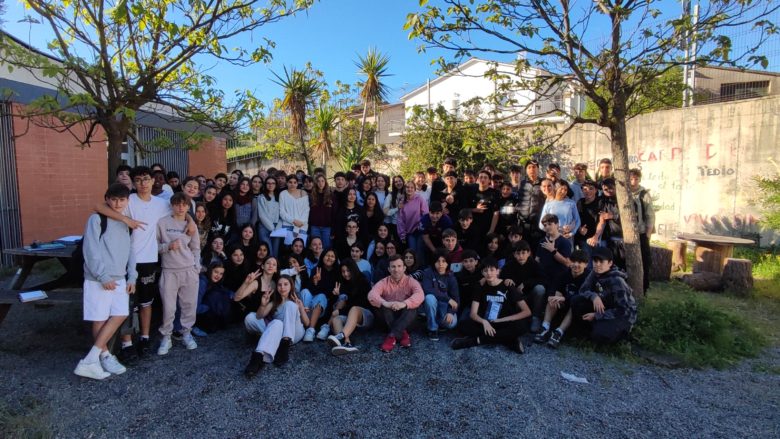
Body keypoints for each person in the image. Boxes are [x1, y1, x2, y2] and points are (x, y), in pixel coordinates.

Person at [74, 183, 137, 380]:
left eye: (122, 200)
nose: (117, 204)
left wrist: (132, 276)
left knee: (120, 314)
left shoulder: (127, 222)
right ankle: (104, 356)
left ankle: (91, 359)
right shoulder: (97, 219)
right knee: (100, 318)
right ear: (107, 199)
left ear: (127, 201)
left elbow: (131, 251)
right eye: (114, 199)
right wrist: (102, 276)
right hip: (98, 279)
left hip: (120, 278)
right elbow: (90, 250)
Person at [451, 257, 531, 353]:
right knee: (463, 326)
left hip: (505, 322)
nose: (489, 273)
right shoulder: (480, 286)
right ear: (482, 273)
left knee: (522, 326)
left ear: (498, 271)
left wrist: (502, 320)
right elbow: (473, 314)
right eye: (486, 271)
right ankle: (508, 340)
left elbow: (527, 311)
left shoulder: (508, 285)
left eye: (492, 270)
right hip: (487, 322)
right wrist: (484, 322)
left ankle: (477, 340)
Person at [156, 193, 201, 355]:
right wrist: (167, 246)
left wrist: (196, 267)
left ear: (188, 206)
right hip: (169, 270)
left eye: (184, 204)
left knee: (189, 305)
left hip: (188, 269)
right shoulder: (162, 223)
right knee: (169, 307)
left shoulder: (191, 225)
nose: (181, 207)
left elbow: (196, 247)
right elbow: (154, 247)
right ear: (172, 205)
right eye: (177, 204)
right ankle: (166, 336)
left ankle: (186, 333)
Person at [569, 247, 637, 345]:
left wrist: (596, 315)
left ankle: (623, 334)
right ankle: (584, 333)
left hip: (623, 315)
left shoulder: (617, 281)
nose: (597, 264)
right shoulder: (594, 272)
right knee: (576, 300)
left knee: (600, 335)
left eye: (601, 261)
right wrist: (594, 296)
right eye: (595, 261)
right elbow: (583, 290)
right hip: (606, 305)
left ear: (610, 263)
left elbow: (623, 310)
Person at [243, 275, 307, 377]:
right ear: (276, 287)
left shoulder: (295, 300)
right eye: (279, 285)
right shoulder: (274, 303)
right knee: (275, 322)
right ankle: (257, 357)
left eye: (285, 284)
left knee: (289, 305)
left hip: (295, 333)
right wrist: (263, 305)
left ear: (291, 286)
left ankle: (284, 344)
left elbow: (307, 323)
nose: (282, 287)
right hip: (279, 334)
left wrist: (301, 308)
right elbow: (259, 316)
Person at [533, 250, 591, 348]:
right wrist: (552, 296)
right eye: (573, 261)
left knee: (575, 303)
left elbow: (582, 296)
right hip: (561, 304)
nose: (576, 264)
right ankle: (545, 327)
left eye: (580, 262)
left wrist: (564, 298)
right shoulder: (564, 274)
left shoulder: (588, 278)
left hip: (576, 308)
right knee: (554, 296)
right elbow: (553, 287)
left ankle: (559, 332)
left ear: (586, 264)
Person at [367, 254, 425, 353]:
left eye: (399, 266)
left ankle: (392, 336)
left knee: (412, 307)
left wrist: (404, 303)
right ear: (389, 269)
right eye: (393, 267)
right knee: (382, 305)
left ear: (404, 268)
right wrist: (385, 303)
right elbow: (371, 295)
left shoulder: (411, 281)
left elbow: (420, 295)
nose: (396, 269)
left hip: (407, 319)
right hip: (388, 319)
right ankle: (403, 333)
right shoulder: (383, 282)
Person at [325, 260, 373, 355]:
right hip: (350, 318)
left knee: (354, 308)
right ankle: (347, 343)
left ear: (353, 269)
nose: (346, 274)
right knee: (336, 319)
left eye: (348, 270)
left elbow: (361, 304)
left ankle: (341, 336)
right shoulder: (343, 283)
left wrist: (340, 311)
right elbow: (336, 305)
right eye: (343, 271)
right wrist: (336, 295)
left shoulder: (362, 281)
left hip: (365, 316)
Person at [535, 214, 573, 332]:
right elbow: (537, 259)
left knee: (553, 299)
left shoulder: (565, 242)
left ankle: (546, 326)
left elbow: (567, 263)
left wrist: (553, 251)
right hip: (543, 277)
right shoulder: (542, 241)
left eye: (550, 224)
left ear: (557, 224)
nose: (547, 227)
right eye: (545, 225)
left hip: (558, 280)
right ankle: (535, 319)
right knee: (537, 290)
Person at [420, 250, 460, 341]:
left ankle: (436, 321)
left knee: (452, 324)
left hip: (444, 307)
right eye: (438, 261)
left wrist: (451, 312)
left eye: (443, 261)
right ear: (434, 262)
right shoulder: (428, 273)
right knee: (429, 298)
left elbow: (456, 299)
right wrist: (447, 299)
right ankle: (432, 329)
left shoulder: (451, 277)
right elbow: (427, 289)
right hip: (432, 304)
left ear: (447, 263)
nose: (441, 264)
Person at [629, 168, 655, 293]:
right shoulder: (624, 192)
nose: (633, 182)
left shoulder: (644, 194)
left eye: (636, 179)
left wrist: (648, 234)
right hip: (626, 234)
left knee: (644, 261)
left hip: (641, 233)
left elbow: (650, 215)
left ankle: (643, 288)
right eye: (631, 179)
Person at [516, 159, 545, 249]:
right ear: (526, 170)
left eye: (534, 167)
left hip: (538, 223)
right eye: (529, 167)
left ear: (538, 169)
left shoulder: (544, 183)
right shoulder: (522, 183)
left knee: (537, 249)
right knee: (524, 249)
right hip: (523, 224)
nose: (532, 169)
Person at [397, 181, 428, 260]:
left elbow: (425, 213)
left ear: (414, 189)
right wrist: (402, 234)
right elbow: (400, 220)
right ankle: (414, 267)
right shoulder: (402, 201)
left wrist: (423, 226)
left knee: (420, 251)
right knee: (412, 252)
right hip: (410, 232)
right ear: (405, 189)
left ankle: (422, 267)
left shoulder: (419, 198)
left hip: (420, 230)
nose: (409, 189)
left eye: (412, 187)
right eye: (407, 187)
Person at [279, 174, 310, 242]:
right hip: (288, 225)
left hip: (302, 226)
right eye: (290, 182)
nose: (292, 184)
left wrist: (299, 225)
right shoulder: (283, 194)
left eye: (294, 182)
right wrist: (293, 221)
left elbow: (306, 210)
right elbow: (282, 212)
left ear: (297, 183)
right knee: (288, 247)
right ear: (287, 183)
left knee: (300, 247)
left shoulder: (303, 193)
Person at [257, 176, 282, 258]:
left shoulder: (280, 197)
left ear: (276, 185)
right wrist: (272, 228)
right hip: (264, 227)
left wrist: (277, 227)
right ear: (265, 184)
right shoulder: (261, 197)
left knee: (275, 252)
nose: (270, 185)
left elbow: (282, 214)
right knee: (268, 252)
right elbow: (262, 215)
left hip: (277, 227)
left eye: (273, 183)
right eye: (268, 183)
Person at [309, 174, 335, 249]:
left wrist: (333, 229)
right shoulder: (311, 196)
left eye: (322, 181)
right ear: (315, 183)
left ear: (325, 182)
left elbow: (333, 213)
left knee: (326, 247)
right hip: (314, 226)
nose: (320, 183)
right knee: (315, 248)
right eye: (318, 181)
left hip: (327, 227)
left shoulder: (331, 195)